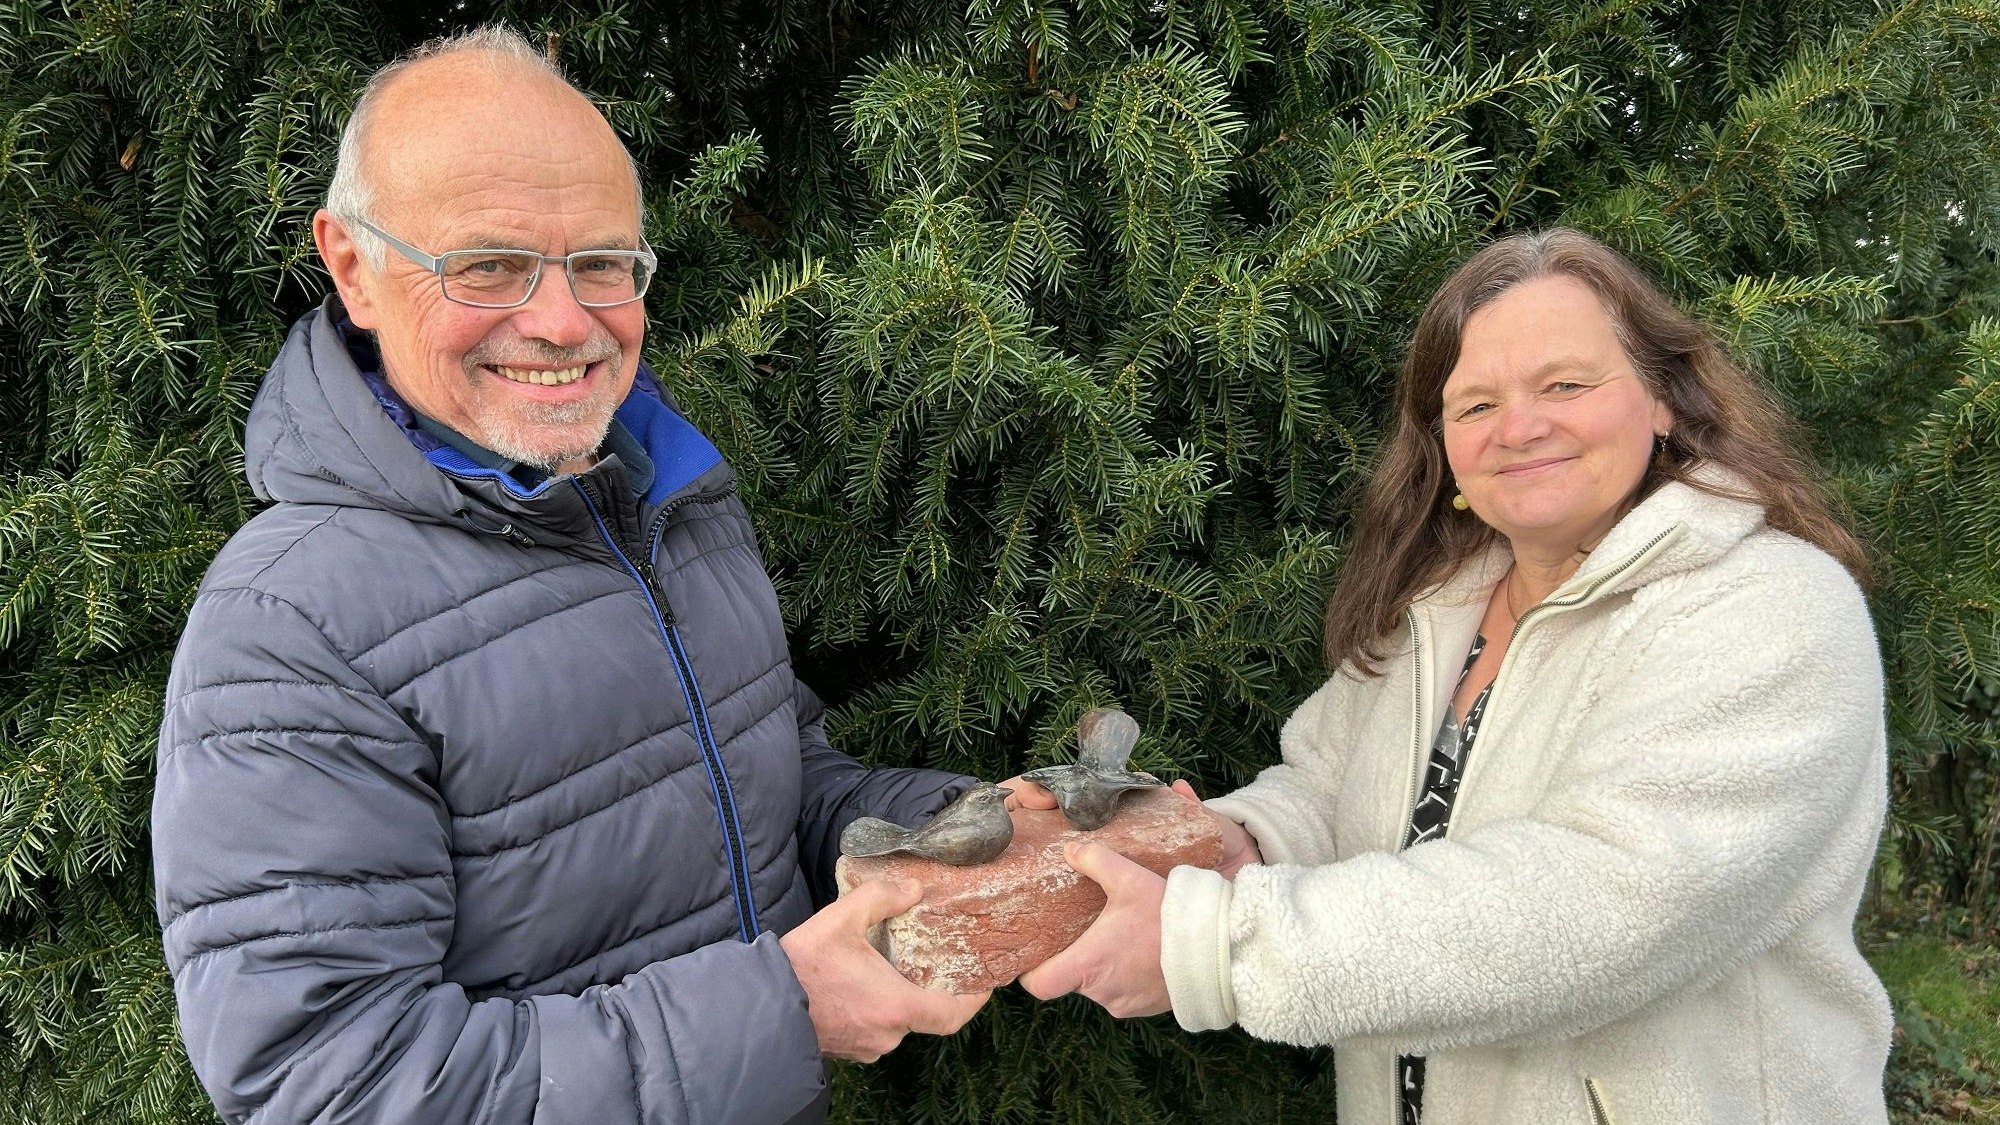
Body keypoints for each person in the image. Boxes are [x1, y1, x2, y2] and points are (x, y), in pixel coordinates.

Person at [151, 27, 1028, 1125]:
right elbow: (325, 1082)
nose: (564, 322)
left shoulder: (661, 495)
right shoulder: (288, 627)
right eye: (487, 265)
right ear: (352, 267)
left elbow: (763, 780)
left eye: (603, 263)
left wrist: (959, 828)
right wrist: (782, 1014)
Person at [1018, 229, 1893, 1124]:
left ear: (1665, 399)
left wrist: (1215, 945)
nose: (1519, 428)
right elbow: (1327, 784)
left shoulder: (1770, 604)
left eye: (1565, 384)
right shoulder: (1443, 603)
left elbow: (1607, 904)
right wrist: (1224, 846)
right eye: (1475, 404)